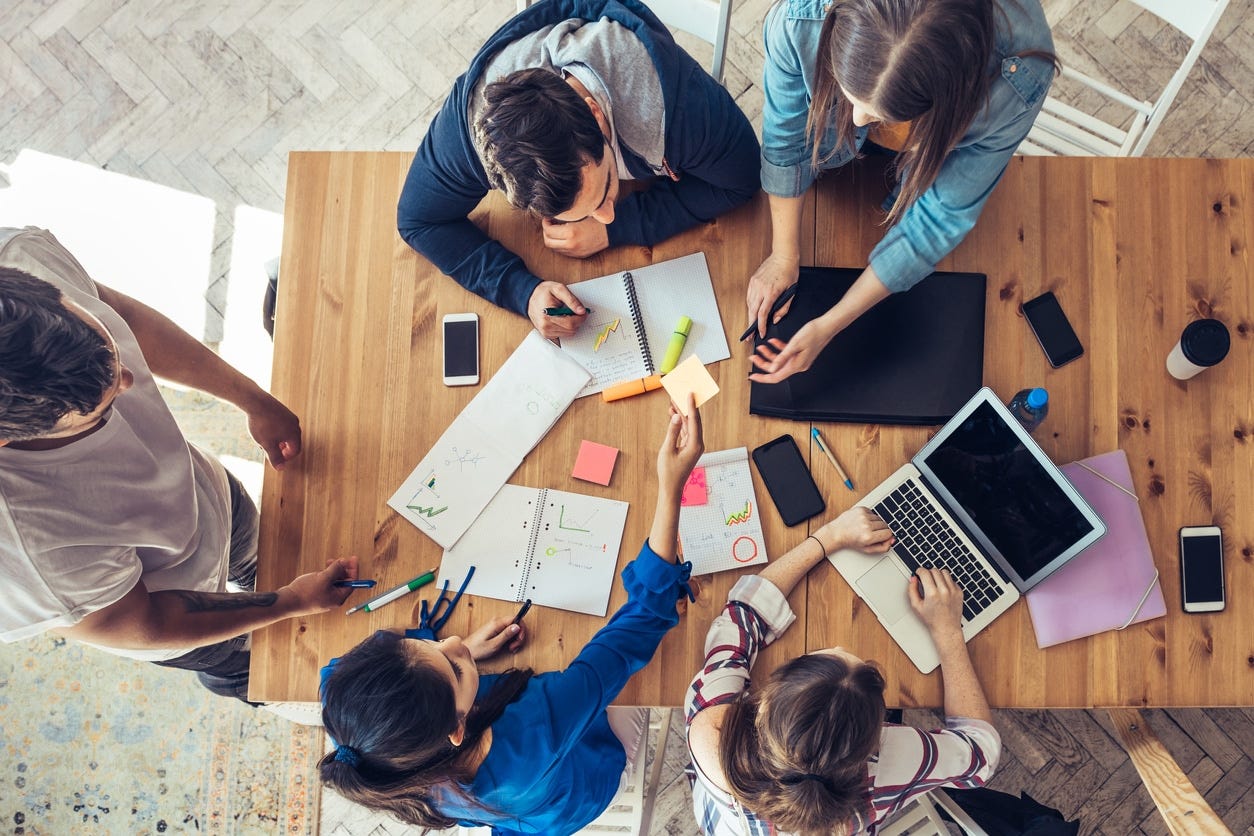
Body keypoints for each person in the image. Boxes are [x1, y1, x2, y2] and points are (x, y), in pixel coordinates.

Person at [0, 226, 358, 702]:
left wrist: (252, 399)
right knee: (245, 664)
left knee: (256, 544)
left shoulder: (20, 258)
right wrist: (289, 602)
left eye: (106, 345)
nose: (128, 379)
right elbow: (145, 624)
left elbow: (124, 315)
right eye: (101, 412)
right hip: (168, 600)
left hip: (201, 488)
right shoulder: (25, 547)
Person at [319, 397, 704, 834]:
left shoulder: (355, 728)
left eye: (425, 644)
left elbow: (340, 670)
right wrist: (671, 487)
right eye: (452, 664)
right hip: (581, 788)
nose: (451, 641)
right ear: (457, 727)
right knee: (638, 689)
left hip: (515, 811)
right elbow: (636, 628)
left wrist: (466, 662)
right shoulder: (537, 727)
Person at [396, 0, 760, 340]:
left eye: (603, 190)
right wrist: (523, 291)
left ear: (595, 115)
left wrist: (619, 228)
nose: (605, 215)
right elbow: (418, 221)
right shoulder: (472, 132)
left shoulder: (680, 116)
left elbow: (742, 177)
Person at [747, 0, 1056, 383]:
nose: (858, 119)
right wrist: (782, 255)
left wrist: (831, 325)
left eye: (880, 113)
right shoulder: (801, 18)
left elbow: (938, 221)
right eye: (850, 94)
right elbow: (786, 140)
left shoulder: (1016, 81)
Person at [686, 507, 1001, 834]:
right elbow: (982, 754)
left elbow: (742, 615)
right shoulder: (889, 764)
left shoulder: (712, 731)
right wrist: (948, 632)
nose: (836, 647)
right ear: (877, 740)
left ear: (765, 705)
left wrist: (829, 537)